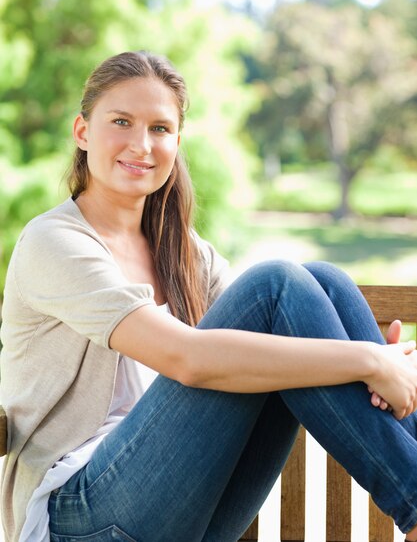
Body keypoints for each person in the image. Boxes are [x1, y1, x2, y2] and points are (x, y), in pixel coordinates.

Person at [1, 50, 417, 542]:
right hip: (80, 515)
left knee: (324, 281)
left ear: (177, 142)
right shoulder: (55, 242)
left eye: (160, 128)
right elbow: (189, 359)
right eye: (121, 121)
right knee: (276, 284)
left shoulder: (182, 251)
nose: (142, 144)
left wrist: (373, 358)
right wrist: (369, 359)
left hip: (182, 505)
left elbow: (283, 317)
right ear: (82, 132)